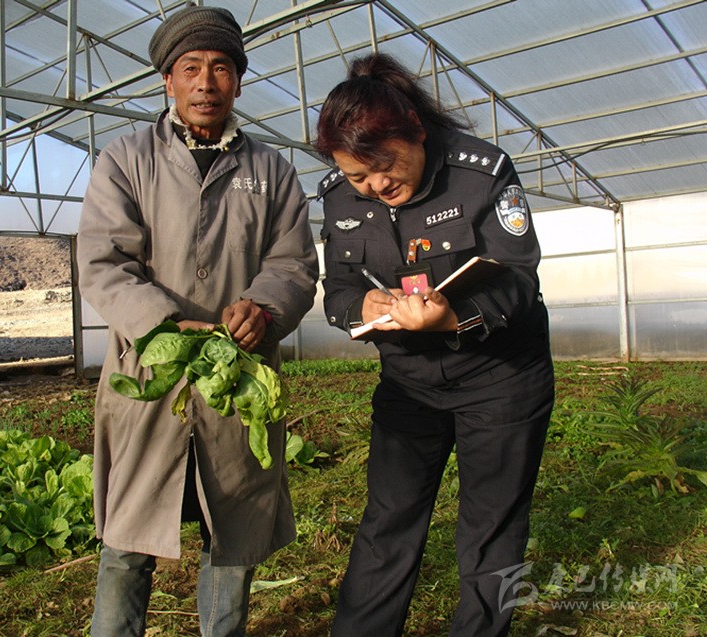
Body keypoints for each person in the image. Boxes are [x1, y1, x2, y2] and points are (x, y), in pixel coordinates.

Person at [76, 4, 319, 635]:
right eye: (191, 68)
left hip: (236, 383)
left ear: (237, 81)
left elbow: (294, 263)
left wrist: (263, 308)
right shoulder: (127, 160)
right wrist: (161, 324)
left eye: (220, 68)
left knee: (231, 540)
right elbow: (103, 262)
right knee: (128, 543)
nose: (206, 83)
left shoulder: (271, 170)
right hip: (150, 380)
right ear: (168, 80)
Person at [314, 53, 554, 636]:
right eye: (358, 177)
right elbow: (338, 287)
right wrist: (360, 308)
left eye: (383, 166)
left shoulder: (481, 172)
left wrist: (454, 317)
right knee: (389, 519)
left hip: (500, 377)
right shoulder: (338, 196)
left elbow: (518, 277)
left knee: (491, 528)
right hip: (409, 383)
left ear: (416, 132)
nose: (375, 186)